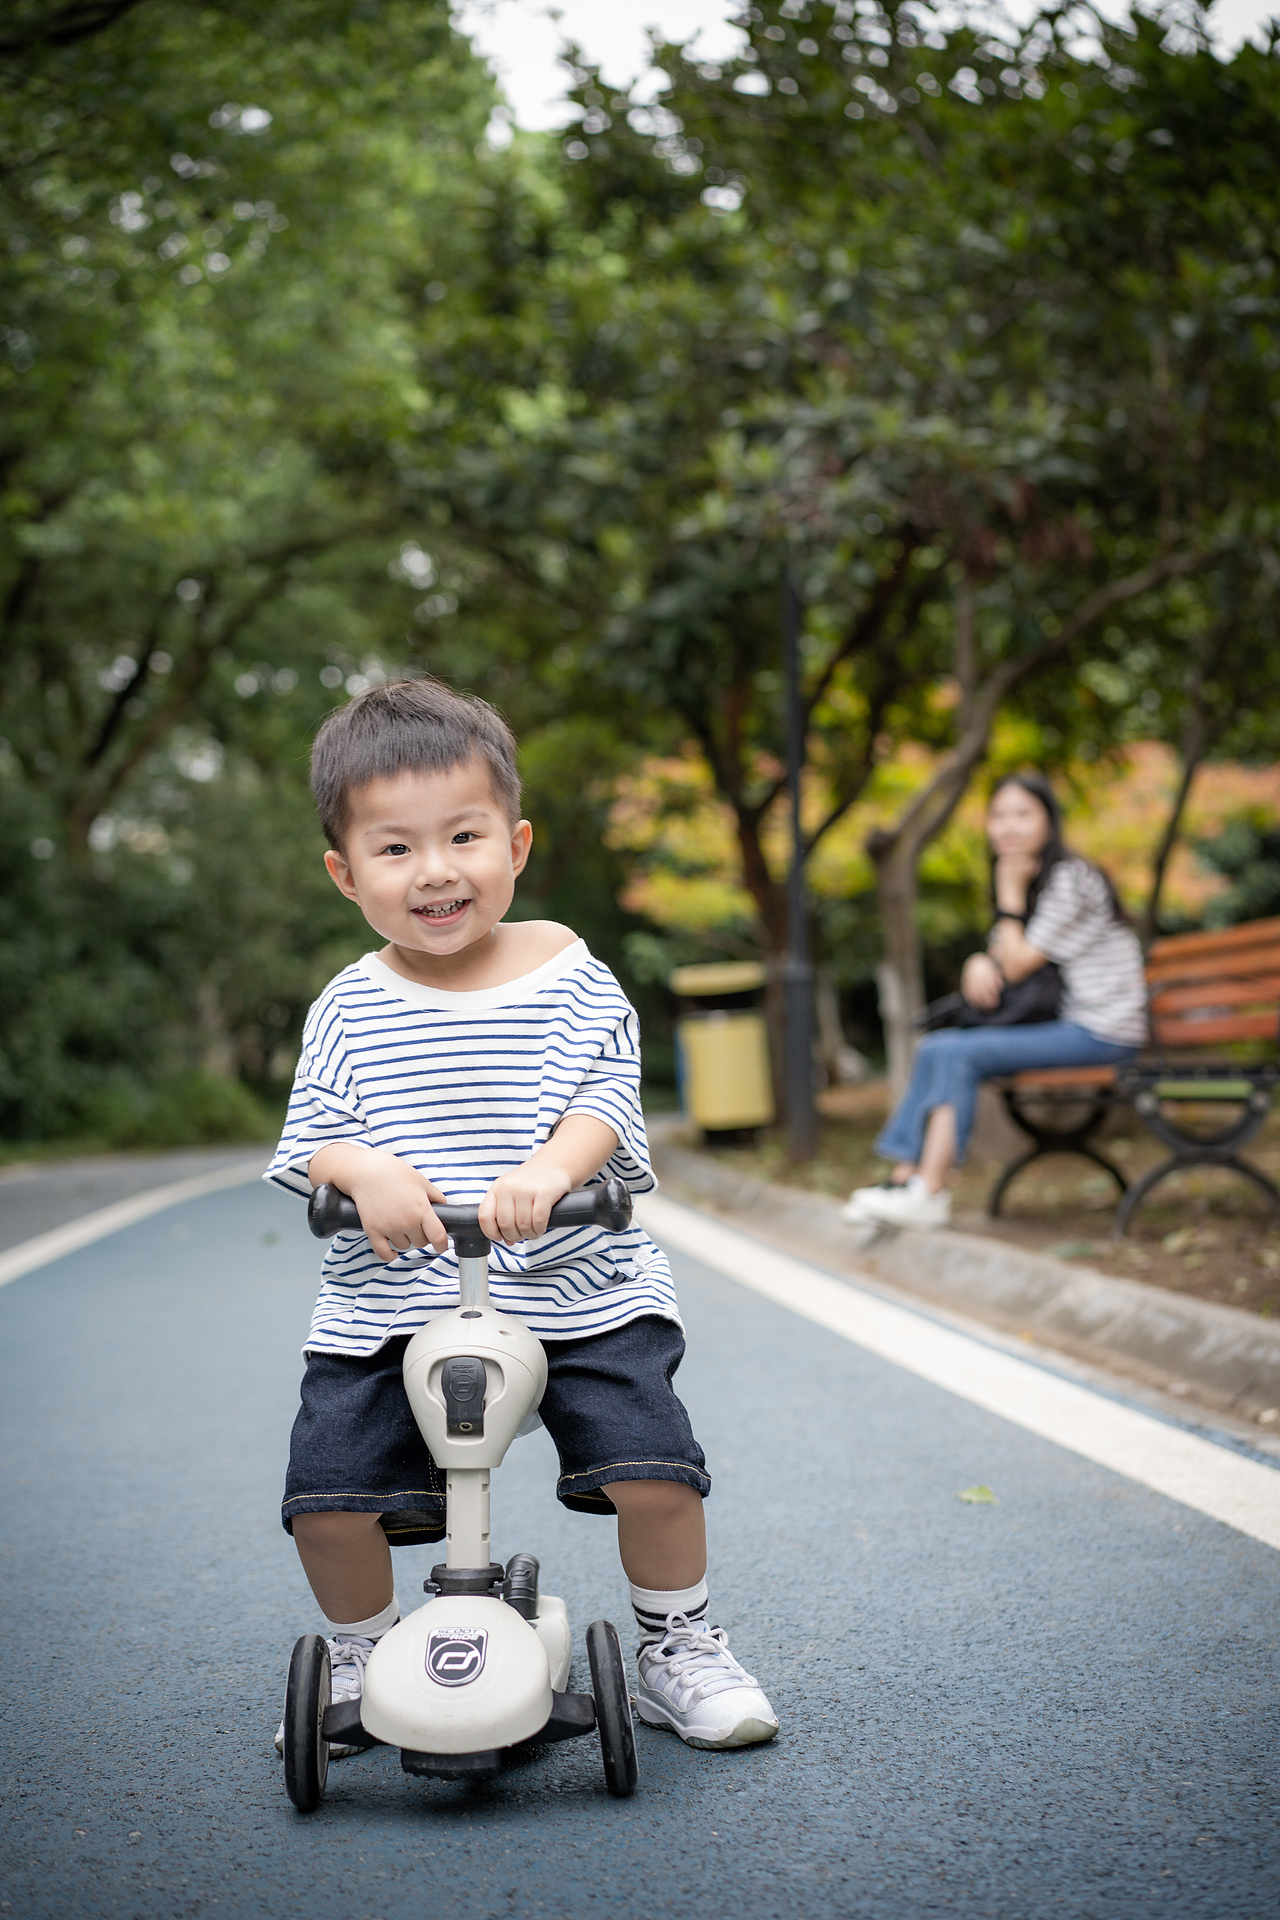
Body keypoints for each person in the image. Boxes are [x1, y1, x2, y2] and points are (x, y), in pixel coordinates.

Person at [265, 676, 778, 1757]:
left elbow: (604, 1099)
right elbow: (312, 1127)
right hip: (394, 1294)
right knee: (326, 1498)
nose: (436, 870)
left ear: (516, 842)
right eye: (395, 849)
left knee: (653, 1471)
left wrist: (553, 1166)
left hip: (574, 1282)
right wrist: (363, 1169)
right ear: (343, 872)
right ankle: (359, 1654)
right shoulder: (349, 1005)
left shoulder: (569, 976)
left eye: (463, 835)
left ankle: (675, 1642)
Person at [843, 770, 1147, 1230]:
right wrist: (978, 962)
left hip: (1104, 1031)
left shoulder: (1071, 878)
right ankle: (904, 1182)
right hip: (1071, 1026)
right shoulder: (1038, 881)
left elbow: (1019, 961)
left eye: (1023, 814)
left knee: (961, 1053)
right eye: (998, 815)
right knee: (937, 1046)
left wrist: (1007, 892)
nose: (1008, 827)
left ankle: (930, 1190)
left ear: (1049, 821)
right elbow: (1002, 958)